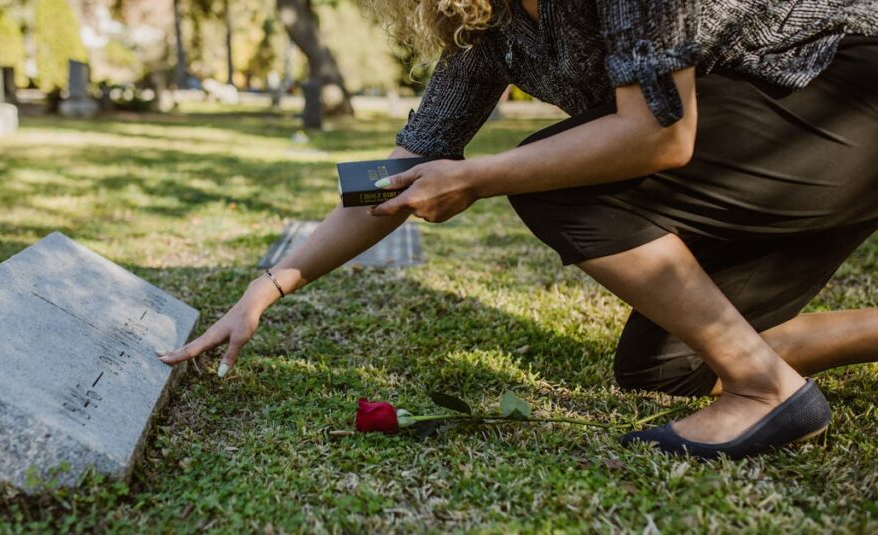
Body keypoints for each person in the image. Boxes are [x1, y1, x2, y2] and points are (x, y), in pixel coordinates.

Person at [159, 0, 878, 460]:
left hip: (846, 103)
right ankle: (772, 364)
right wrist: (268, 288)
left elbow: (660, 136)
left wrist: (481, 177)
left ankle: (764, 388)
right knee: (667, 368)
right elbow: (404, 169)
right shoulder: (488, 25)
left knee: (555, 182)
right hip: (788, 153)